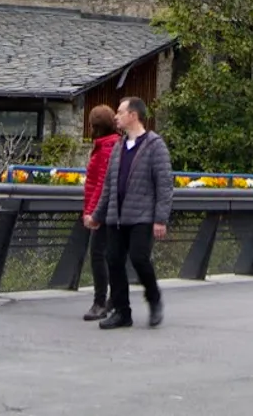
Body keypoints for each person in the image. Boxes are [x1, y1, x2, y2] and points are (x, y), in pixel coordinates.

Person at [89, 96, 173, 330]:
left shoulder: (155, 145)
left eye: (120, 112)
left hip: (142, 216)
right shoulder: (118, 147)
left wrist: (160, 219)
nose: (116, 116)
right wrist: (97, 215)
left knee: (138, 258)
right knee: (113, 259)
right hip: (117, 216)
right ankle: (122, 311)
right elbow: (108, 185)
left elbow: (165, 184)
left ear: (133, 115)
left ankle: (154, 297)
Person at [81, 105, 119, 321]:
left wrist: (92, 213)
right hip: (108, 209)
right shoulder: (110, 145)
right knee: (108, 255)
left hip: (103, 211)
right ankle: (111, 301)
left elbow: (100, 183)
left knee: (98, 254)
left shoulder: (105, 149)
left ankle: (101, 301)